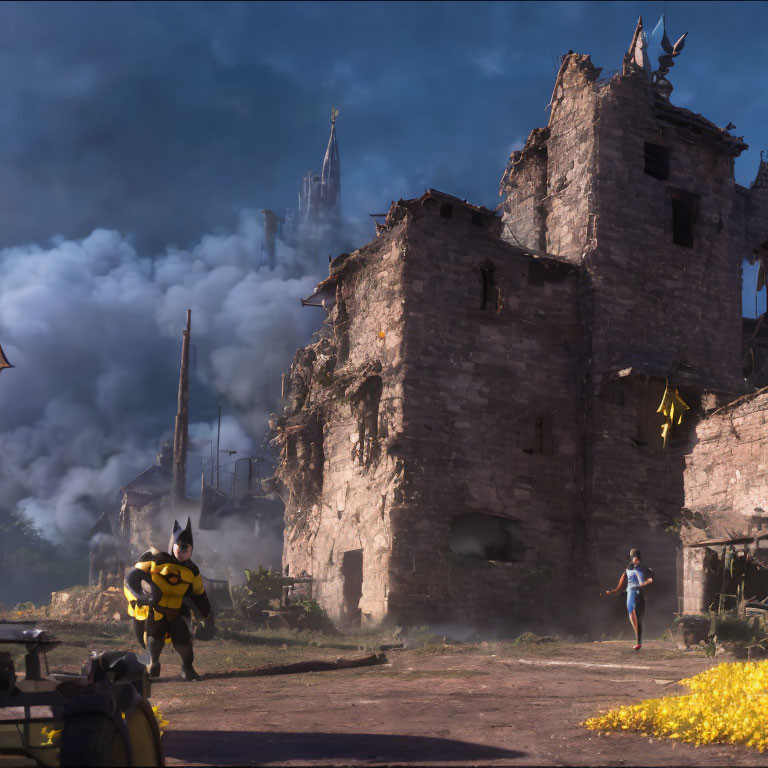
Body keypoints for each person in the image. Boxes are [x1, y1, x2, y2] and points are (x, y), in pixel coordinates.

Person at [124, 518, 215, 681]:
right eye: (179, 546)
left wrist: (203, 610)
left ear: (191, 549)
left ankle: (187, 668)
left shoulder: (192, 570)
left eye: (185, 548)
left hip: (178, 612)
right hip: (156, 610)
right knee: (153, 639)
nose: (181, 550)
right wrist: (140, 596)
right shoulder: (155, 560)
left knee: (183, 643)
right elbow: (133, 576)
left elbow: (198, 592)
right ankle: (153, 663)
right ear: (173, 545)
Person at [601, 548, 654, 651]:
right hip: (630, 594)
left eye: (636, 557)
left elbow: (651, 577)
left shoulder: (643, 567)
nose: (635, 559)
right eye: (633, 557)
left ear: (639, 557)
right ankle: (638, 639)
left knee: (638, 617)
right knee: (632, 616)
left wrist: (646, 582)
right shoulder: (627, 569)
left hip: (638, 593)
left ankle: (639, 642)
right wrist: (611, 592)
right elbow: (620, 586)